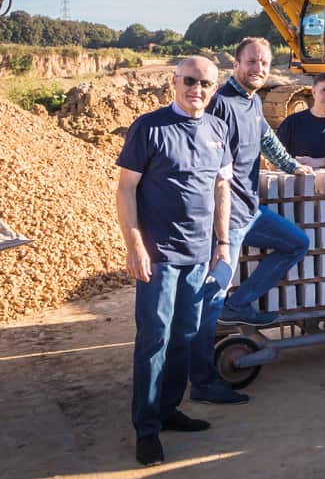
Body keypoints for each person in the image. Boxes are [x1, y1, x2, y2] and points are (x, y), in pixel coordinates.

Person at [116, 56, 231, 466]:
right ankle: (146, 429)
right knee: (154, 340)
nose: (196, 89)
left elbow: (221, 189)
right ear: (174, 82)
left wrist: (222, 242)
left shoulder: (218, 129)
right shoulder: (149, 128)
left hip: (199, 254)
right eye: (189, 81)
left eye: (205, 84)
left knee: (185, 334)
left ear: (214, 88)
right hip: (160, 255)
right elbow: (126, 189)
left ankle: (167, 410)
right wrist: (135, 245)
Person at [191, 38, 312, 407]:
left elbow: (267, 140)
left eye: (263, 62)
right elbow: (207, 165)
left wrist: (293, 166)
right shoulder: (220, 104)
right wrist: (217, 226)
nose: (257, 68)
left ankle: (241, 303)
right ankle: (203, 381)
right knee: (209, 300)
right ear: (236, 63)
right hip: (224, 216)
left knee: (296, 242)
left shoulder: (253, 102)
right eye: (251, 62)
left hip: (250, 210)